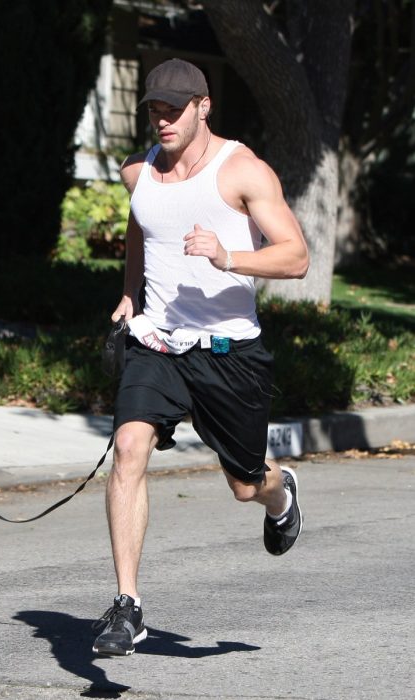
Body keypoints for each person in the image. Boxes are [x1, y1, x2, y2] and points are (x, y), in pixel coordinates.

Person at [91, 58, 310, 657]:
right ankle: (128, 605)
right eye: (153, 110)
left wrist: (228, 258)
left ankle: (280, 492)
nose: (161, 120)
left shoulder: (240, 171)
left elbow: (295, 257)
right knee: (129, 450)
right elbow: (142, 228)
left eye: (173, 109)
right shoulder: (139, 172)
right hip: (157, 344)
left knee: (245, 486)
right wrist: (132, 291)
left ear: (203, 107)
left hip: (228, 352)